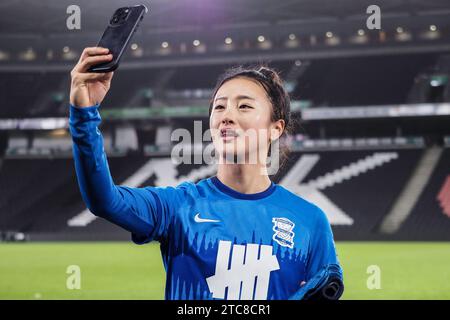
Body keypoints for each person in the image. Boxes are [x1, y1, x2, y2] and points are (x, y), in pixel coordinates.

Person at [69, 46, 344, 300]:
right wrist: (84, 112)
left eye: (244, 105)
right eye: (219, 106)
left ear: (276, 128)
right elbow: (105, 200)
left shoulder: (310, 221)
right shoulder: (178, 207)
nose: (227, 115)